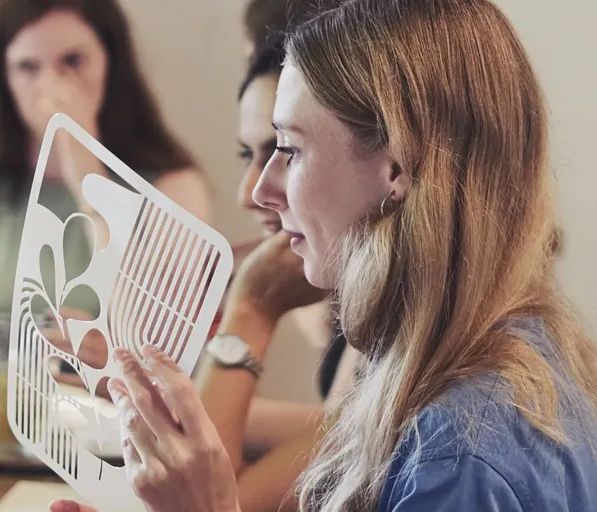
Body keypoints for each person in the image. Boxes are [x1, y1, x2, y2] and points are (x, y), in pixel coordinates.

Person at [51, 0, 597, 511]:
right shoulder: (512, 353)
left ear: (397, 165)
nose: (262, 190)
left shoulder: (458, 453)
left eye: (288, 150)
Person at [0, 0, 210, 362]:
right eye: (27, 67)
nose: (50, 86)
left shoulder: (173, 187)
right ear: (2, 77)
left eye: (73, 62)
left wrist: (87, 176)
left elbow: (164, 344)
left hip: (116, 412)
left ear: (110, 61)